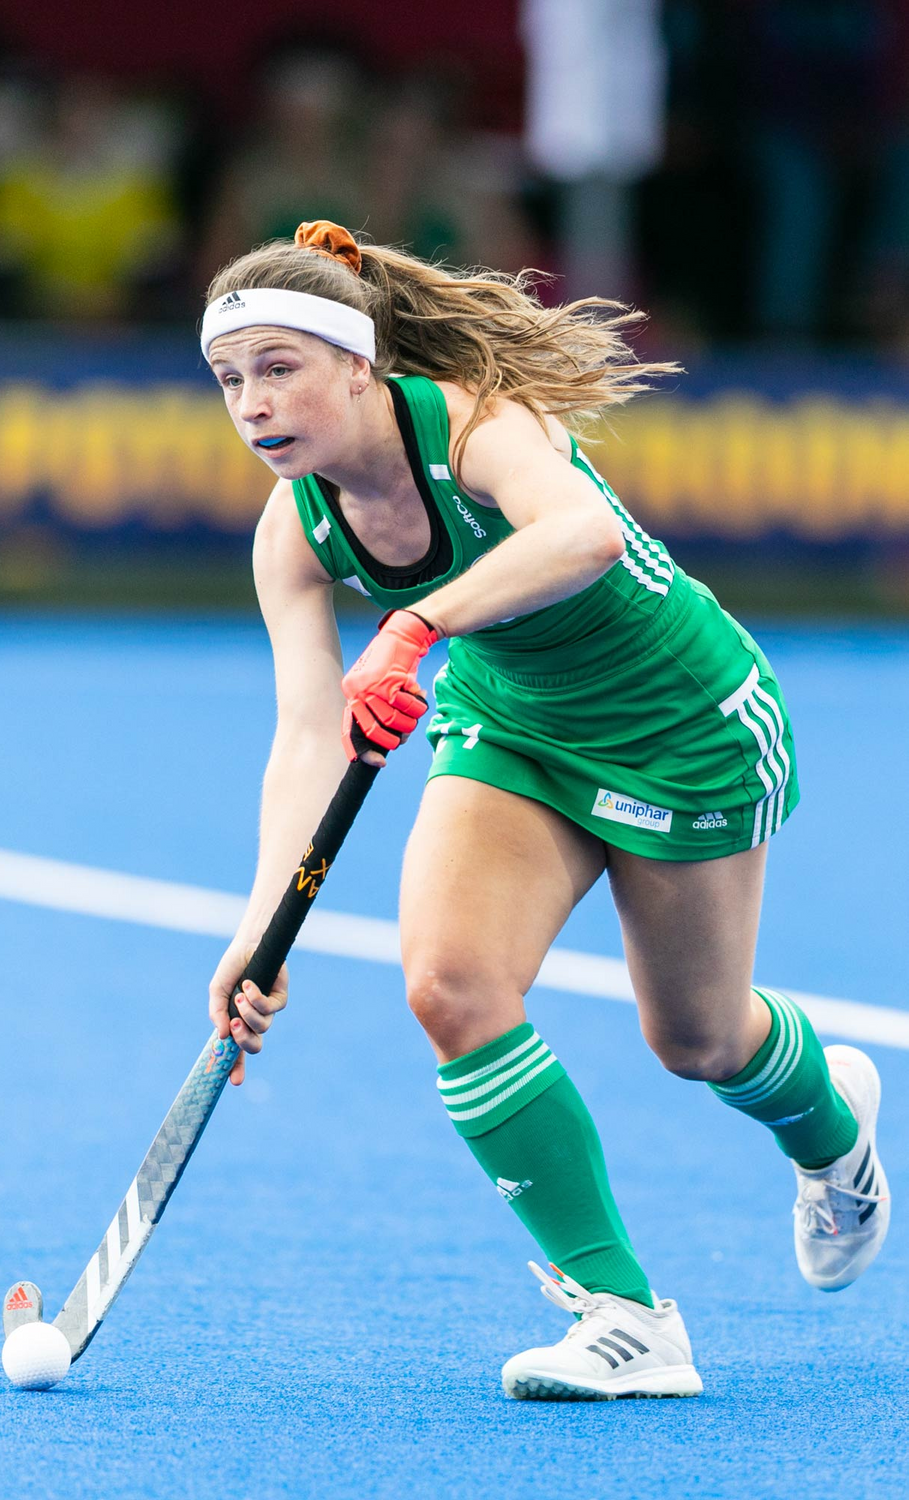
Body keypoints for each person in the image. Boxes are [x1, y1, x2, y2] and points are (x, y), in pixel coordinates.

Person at [203, 220, 890, 1400]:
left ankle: (833, 1133)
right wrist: (261, 928)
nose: (253, 403)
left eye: (279, 367)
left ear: (358, 364)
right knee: (448, 985)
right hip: (513, 725)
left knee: (698, 1041)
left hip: (681, 721)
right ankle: (624, 1314)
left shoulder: (472, 424)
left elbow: (583, 533)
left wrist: (419, 623)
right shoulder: (294, 530)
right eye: (228, 379)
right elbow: (309, 733)